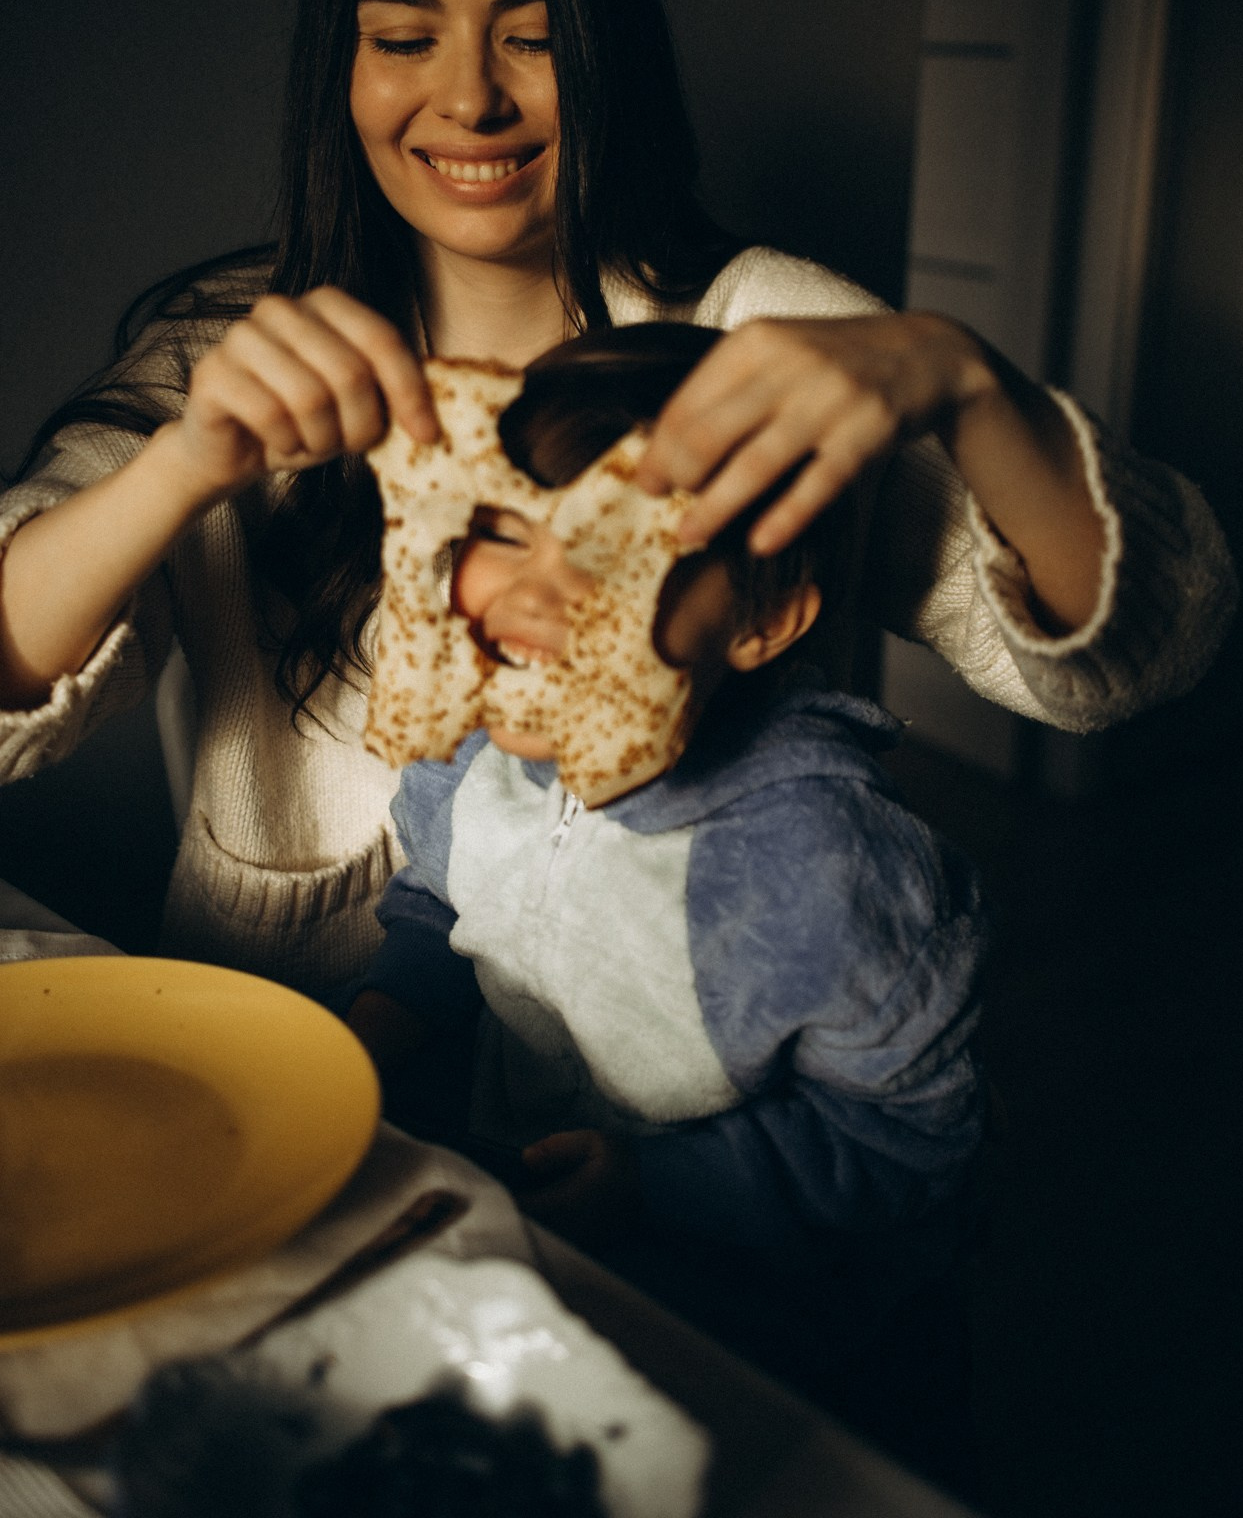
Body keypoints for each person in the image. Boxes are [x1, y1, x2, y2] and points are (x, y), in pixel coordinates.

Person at [0, 0, 1234, 995]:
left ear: (605, 58)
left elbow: (1152, 651)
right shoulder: (232, 353)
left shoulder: (751, 335)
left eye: (531, 38)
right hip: (290, 1042)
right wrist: (183, 465)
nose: (471, 95)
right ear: (343, 70)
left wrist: (967, 385)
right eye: (403, 37)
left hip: (659, 1115)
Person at [345, 322, 987, 1479]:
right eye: (505, 530)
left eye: (620, 556)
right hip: (522, 1242)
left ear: (761, 617)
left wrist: (656, 1186)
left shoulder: (826, 871)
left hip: (758, 1322)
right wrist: (373, 1030)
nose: (538, 597)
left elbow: (900, 1146)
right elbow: (442, 909)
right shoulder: (469, 752)